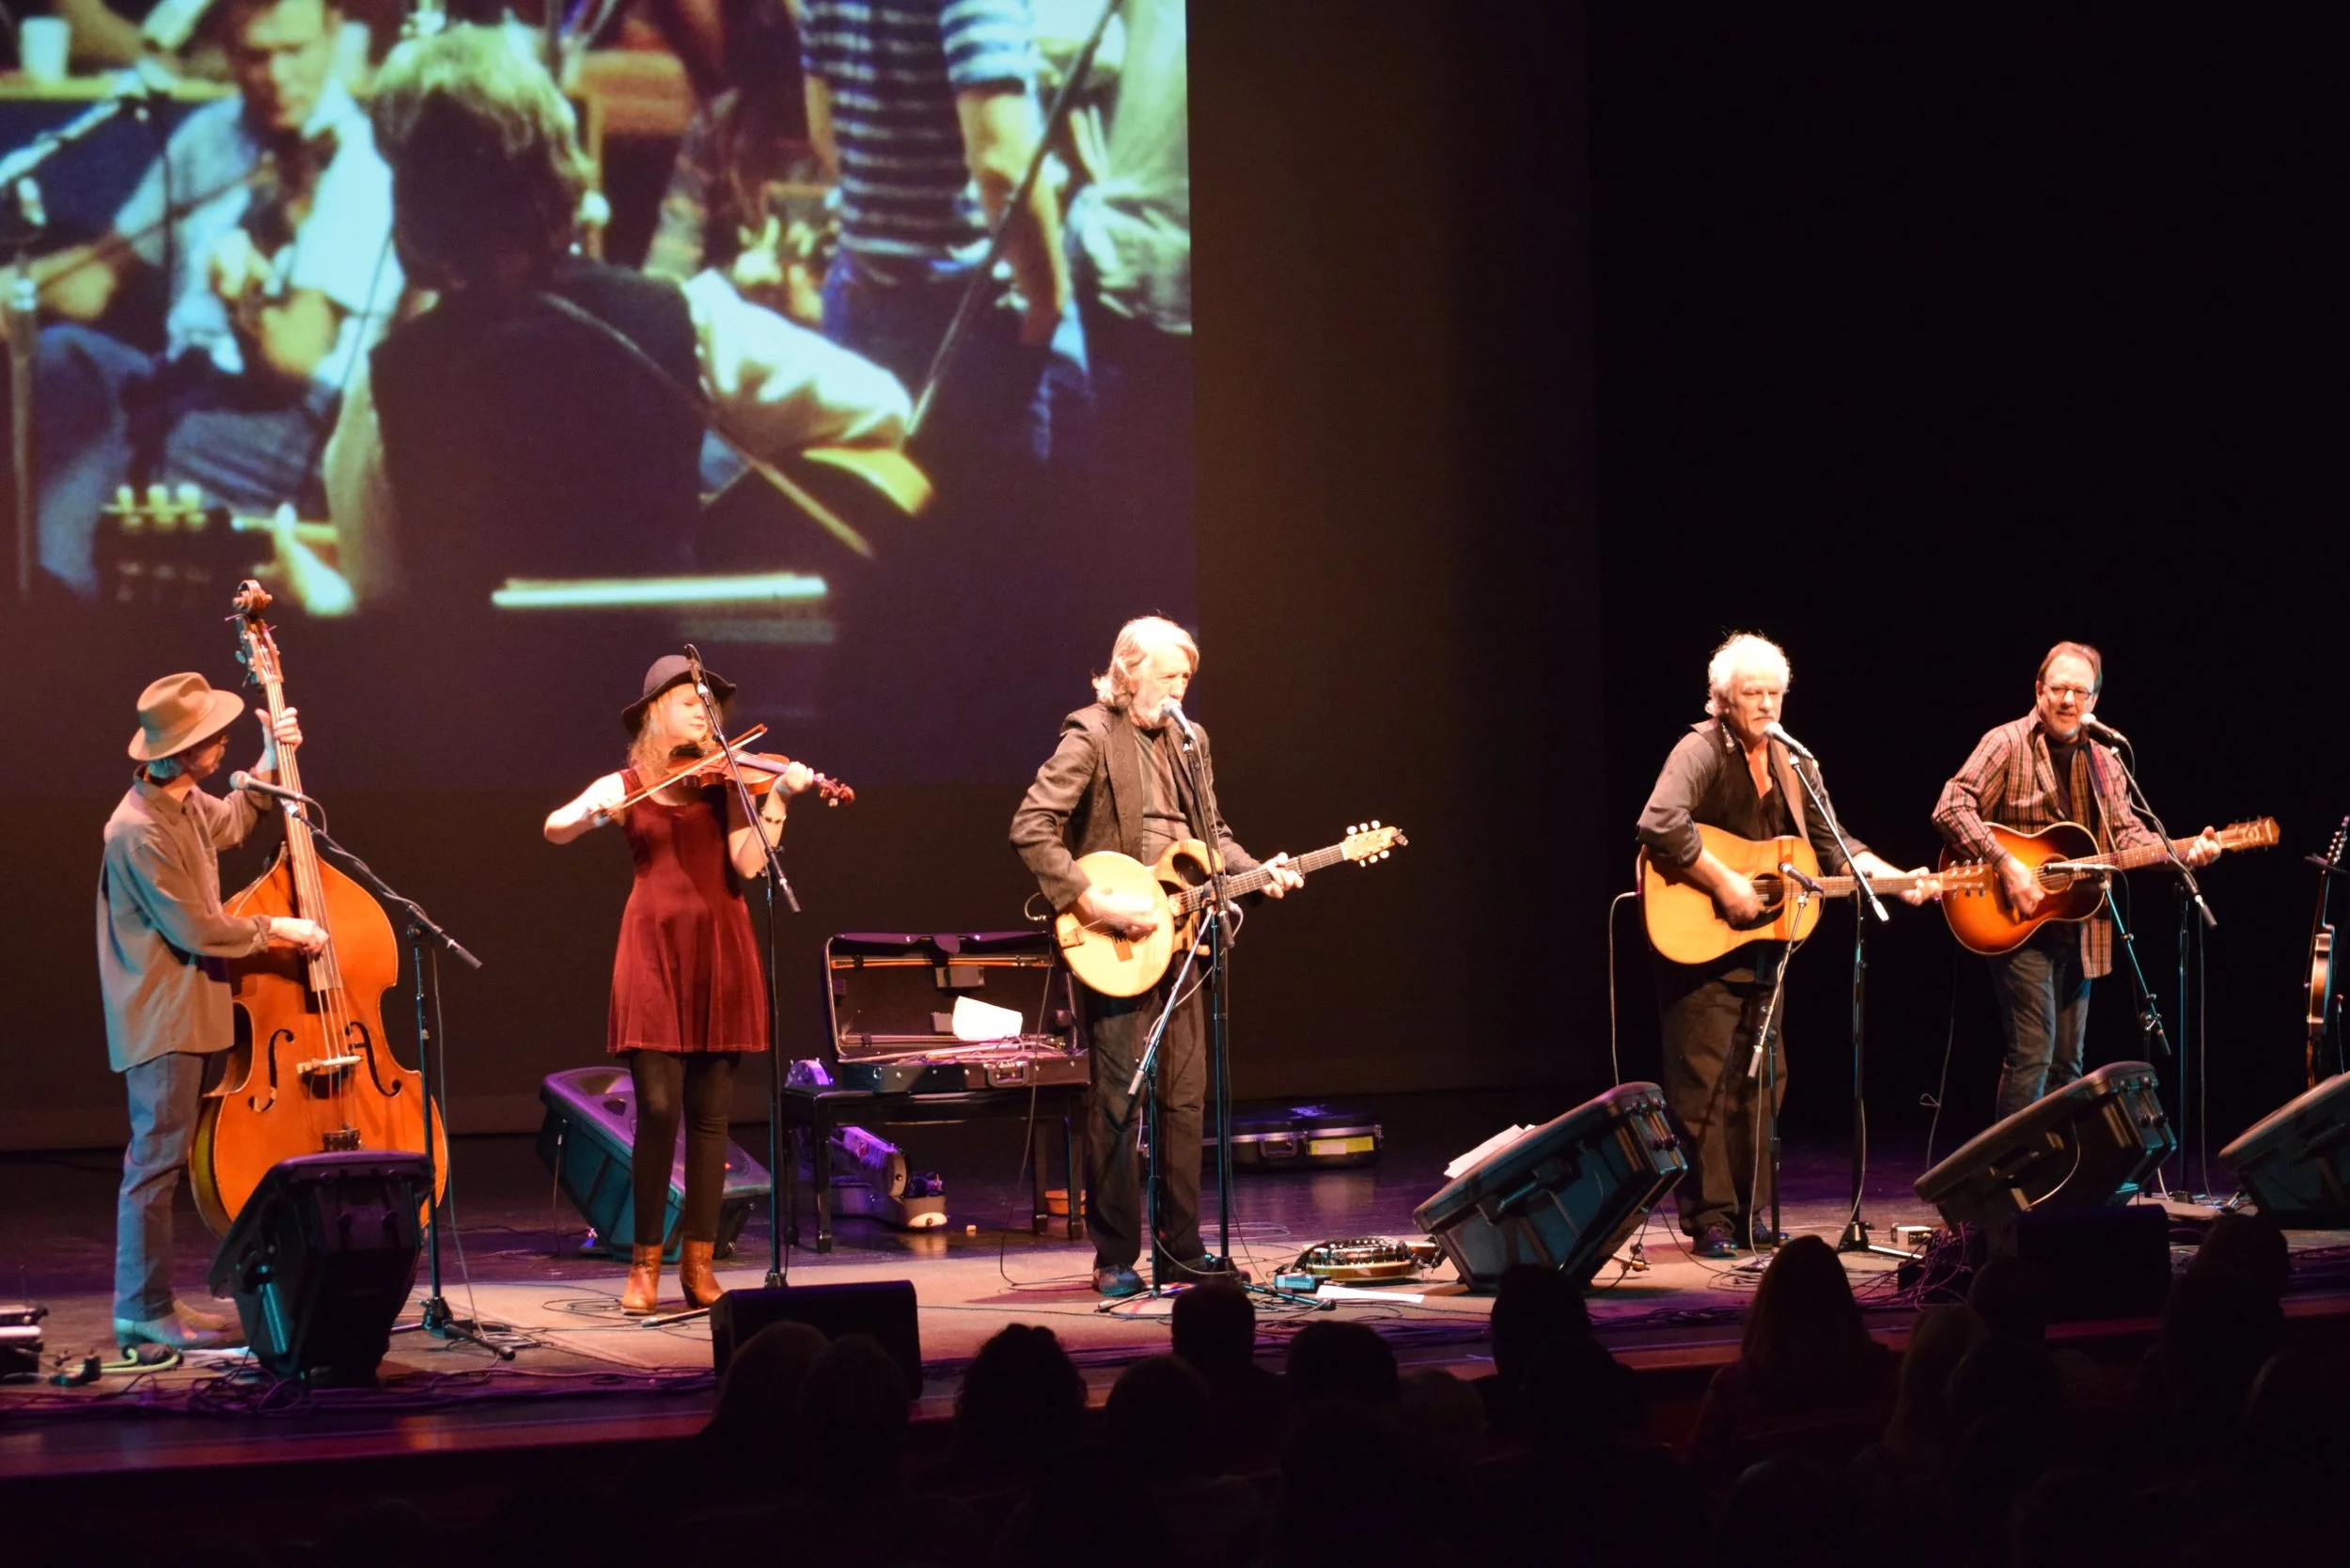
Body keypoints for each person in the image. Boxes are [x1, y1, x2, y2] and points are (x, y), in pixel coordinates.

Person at [320, 22, 909, 615]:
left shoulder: (385, 389)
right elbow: (882, 405)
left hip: (485, 708)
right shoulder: (686, 319)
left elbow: (380, 608)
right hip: (663, 698)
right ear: (558, 166)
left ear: (414, 205)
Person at [21, 0, 400, 601]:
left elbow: (291, 363)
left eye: (294, 51)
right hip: (185, 384)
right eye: (255, 54)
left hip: (293, 416)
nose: (276, 75)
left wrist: (243, 299)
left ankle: (64, 613)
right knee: (65, 359)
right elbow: (100, 276)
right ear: (226, 47)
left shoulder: (361, 160)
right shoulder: (209, 136)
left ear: (332, 32)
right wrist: (14, 286)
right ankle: (55, 594)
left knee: (125, 447)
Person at [1009, 616, 1299, 1296]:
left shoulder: (1191, 744)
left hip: (1185, 932)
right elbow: (1031, 826)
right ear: (1128, 670)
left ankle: (1182, 1248)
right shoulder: (1090, 733)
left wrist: (1260, 870)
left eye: (1187, 678)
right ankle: (1115, 1257)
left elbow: (1212, 835)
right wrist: (1093, 901)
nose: (1179, 688)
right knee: (1117, 1097)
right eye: (1169, 674)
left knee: (1185, 1097)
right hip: (1119, 938)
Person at [1636, 633, 1934, 1258]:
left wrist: (1895, 878)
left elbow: (1834, 845)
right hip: (1700, 944)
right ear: (1723, 700)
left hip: (1765, 952)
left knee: (1765, 1081)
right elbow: (1660, 822)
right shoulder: (1700, 748)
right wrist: (1724, 882)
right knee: (1705, 1089)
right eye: (1753, 694)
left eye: (1775, 693)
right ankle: (1710, 1219)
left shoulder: (1795, 765)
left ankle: (1749, 1213)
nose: (1767, 705)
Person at [541, 654, 811, 1311]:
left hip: (720, 947)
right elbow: (555, 828)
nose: (702, 708)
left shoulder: (726, 782)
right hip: (654, 951)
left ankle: (698, 1265)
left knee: (711, 1118)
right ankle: (643, 1265)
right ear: (655, 709)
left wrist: (776, 799)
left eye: (707, 701)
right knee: (659, 1110)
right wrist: (592, 812)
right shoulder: (626, 781)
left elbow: (748, 866)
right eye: (688, 698)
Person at [101, 672, 327, 1350]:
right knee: (156, 1164)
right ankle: (141, 1310)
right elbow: (196, 930)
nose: (216, 744)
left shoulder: (183, 801)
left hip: (191, 1009)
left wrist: (266, 757)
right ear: (170, 752)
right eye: (205, 739)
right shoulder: (136, 830)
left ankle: (156, 1300)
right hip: (163, 1015)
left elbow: (230, 822)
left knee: (163, 1159)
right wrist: (276, 931)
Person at [1931, 641, 2219, 1119]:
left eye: (2079, 692)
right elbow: (1951, 806)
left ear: (2095, 702)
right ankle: (2007, 1178)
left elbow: (2128, 839)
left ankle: (2056, 1174)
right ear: (2039, 691)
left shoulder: (2107, 761)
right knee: (2033, 1054)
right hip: (2016, 921)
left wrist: (2188, 852)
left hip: (2082, 929)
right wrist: (2008, 864)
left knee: (2068, 1064)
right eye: (2059, 688)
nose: (2068, 700)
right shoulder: (2005, 743)